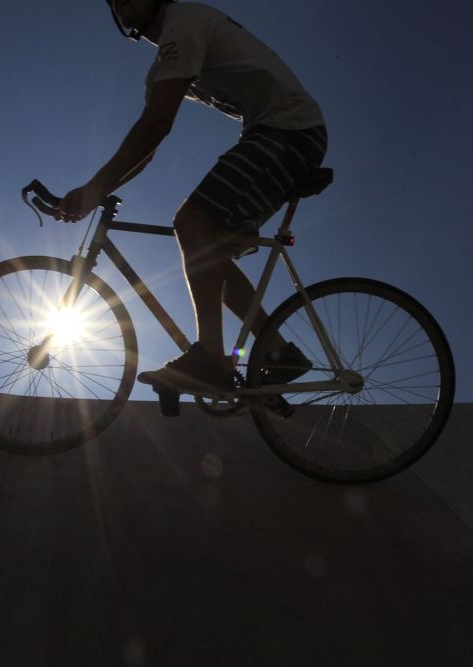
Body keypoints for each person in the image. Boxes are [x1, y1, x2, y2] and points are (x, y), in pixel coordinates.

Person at [58, 0, 326, 395]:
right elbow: (147, 146)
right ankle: (277, 353)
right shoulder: (163, 65)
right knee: (208, 248)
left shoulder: (185, 22)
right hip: (272, 132)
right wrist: (99, 191)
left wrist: (95, 186)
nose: (119, 1)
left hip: (290, 130)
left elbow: (157, 125)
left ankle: (211, 360)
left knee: (192, 222)